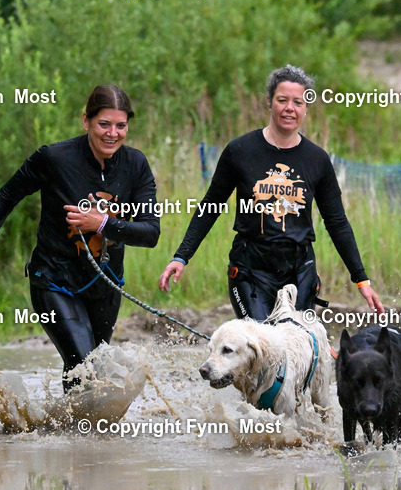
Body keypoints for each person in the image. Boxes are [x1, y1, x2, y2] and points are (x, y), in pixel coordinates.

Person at [0, 85, 159, 390]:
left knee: (92, 371)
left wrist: (102, 222)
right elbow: (6, 196)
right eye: (104, 124)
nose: (113, 134)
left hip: (105, 285)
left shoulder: (136, 165)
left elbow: (150, 233)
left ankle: (68, 432)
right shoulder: (53, 158)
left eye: (121, 126)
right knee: (86, 367)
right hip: (54, 281)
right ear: (86, 121)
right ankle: (76, 433)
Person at [158, 65, 384, 320]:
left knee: (298, 348)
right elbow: (211, 206)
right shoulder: (239, 151)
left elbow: (337, 222)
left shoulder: (317, 160)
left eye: (297, 102)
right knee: (264, 345)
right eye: (282, 100)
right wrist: (181, 256)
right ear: (269, 102)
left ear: (306, 107)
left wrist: (361, 279)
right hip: (250, 271)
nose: (290, 108)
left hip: (300, 269)